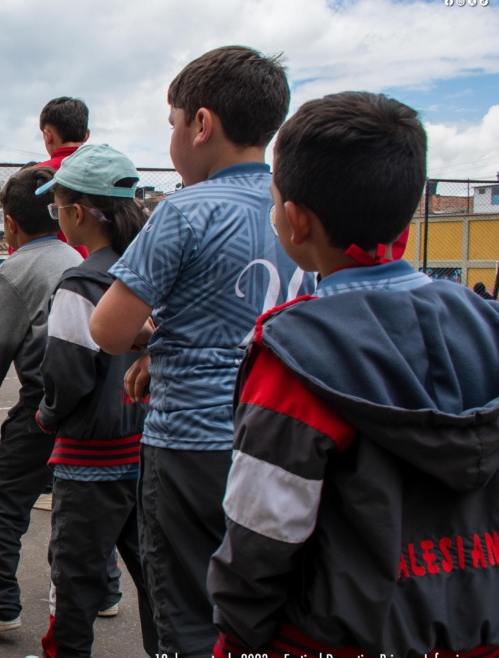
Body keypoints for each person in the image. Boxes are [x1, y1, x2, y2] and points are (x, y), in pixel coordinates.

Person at [209, 91, 499, 657]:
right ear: (408, 225)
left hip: (334, 637)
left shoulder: (295, 355)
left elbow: (262, 530)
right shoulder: (487, 323)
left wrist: (236, 632)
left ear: (295, 222)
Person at [87, 45, 312, 656]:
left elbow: (109, 329)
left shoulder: (185, 211)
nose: (173, 140)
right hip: (282, 437)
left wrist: (157, 341)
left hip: (191, 441)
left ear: (202, 124)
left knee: (184, 606)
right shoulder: (298, 213)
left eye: (173, 125)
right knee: (264, 601)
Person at [32, 144, 157, 658]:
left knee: (75, 575)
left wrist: (47, 413)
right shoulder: (152, 268)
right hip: (145, 451)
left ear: (77, 213)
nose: (57, 218)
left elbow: (66, 374)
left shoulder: (81, 283)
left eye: (56, 208)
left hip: (89, 459)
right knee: (154, 575)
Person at [0, 165, 84, 634]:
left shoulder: (15, 270)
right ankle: (103, 594)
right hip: (98, 407)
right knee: (85, 506)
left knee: (1, 499)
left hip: (44, 407)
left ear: (9, 222)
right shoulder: (78, 257)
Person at [34, 96, 91, 259]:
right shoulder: (104, 171)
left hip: (51, 267)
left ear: (48, 135)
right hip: (103, 270)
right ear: (86, 135)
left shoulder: (36, 176)